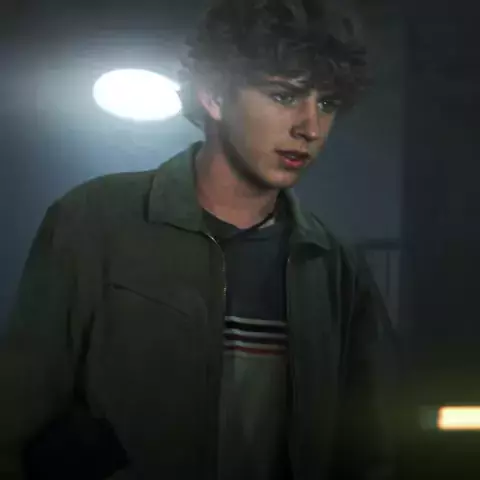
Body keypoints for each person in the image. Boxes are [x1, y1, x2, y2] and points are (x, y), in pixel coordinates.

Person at [0, 0, 397, 478]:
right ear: (214, 95)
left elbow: (369, 453)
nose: (310, 127)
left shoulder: (334, 266)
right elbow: (17, 417)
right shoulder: (93, 221)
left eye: (327, 104)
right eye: (284, 96)